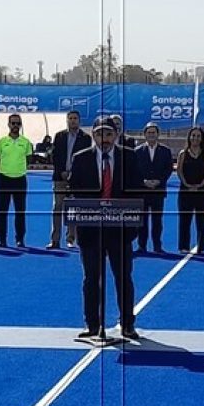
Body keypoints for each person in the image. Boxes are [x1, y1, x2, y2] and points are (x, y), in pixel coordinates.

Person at [68, 116, 143, 340]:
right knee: (91, 278)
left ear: (116, 135)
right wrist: (73, 227)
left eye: (109, 134)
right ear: (94, 136)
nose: (105, 139)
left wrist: (133, 225)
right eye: (100, 134)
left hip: (119, 231)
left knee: (123, 278)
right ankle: (92, 324)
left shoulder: (128, 157)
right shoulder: (81, 159)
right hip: (90, 231)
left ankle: (127, 324)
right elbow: (74, 193)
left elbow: (137, 190)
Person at [47, 110, 90, 249]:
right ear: (67, 120)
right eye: (70, 118)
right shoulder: (59, 136)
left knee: (73, 209)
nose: (73, 120)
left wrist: (73, 173)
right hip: (60, 177)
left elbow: (85, 159)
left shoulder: (86, 138)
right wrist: (62, 172)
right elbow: (55, 156)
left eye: (75, 118)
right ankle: (55, 240)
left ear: (79, 120)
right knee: (57, 208)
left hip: (77, 179)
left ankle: (71, 238)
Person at [0, 113, 32, 247]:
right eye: (13, 123)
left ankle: (20, 239)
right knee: (2, 211)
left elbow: (28, 159)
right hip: (4, 180)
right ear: (8, 124)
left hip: (20, 180)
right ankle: (1, 239)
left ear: (20, 125)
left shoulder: (26, 142)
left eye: (18, 123)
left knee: (20, 212)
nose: (15, 126)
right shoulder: (1, 142)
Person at [134, 122, 173, 253]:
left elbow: (168, 169)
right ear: (145, 134)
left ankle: (157, 246)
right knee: (142, 221)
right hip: (142, 191)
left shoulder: (166, 151)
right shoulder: (137, 151)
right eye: (149, 132)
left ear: (158, 134)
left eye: (153, 132)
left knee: (157, 221)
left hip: (158, 191)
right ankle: (142, 246)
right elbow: (134, 170)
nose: (151, 135)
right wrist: (143, 181)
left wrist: (159, 181)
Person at [176, 127, 204, 253]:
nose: (195, 138)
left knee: (201, 220)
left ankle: (200, 247)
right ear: (189, 137)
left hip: (201, 192)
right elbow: (179, 171)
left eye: (198, 136)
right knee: (184, 219)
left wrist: (199, 185)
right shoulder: (182, 154)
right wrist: (187, 184)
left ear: (201, 138)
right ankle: (183, 246)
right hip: (185, 191)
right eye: (193, 135)